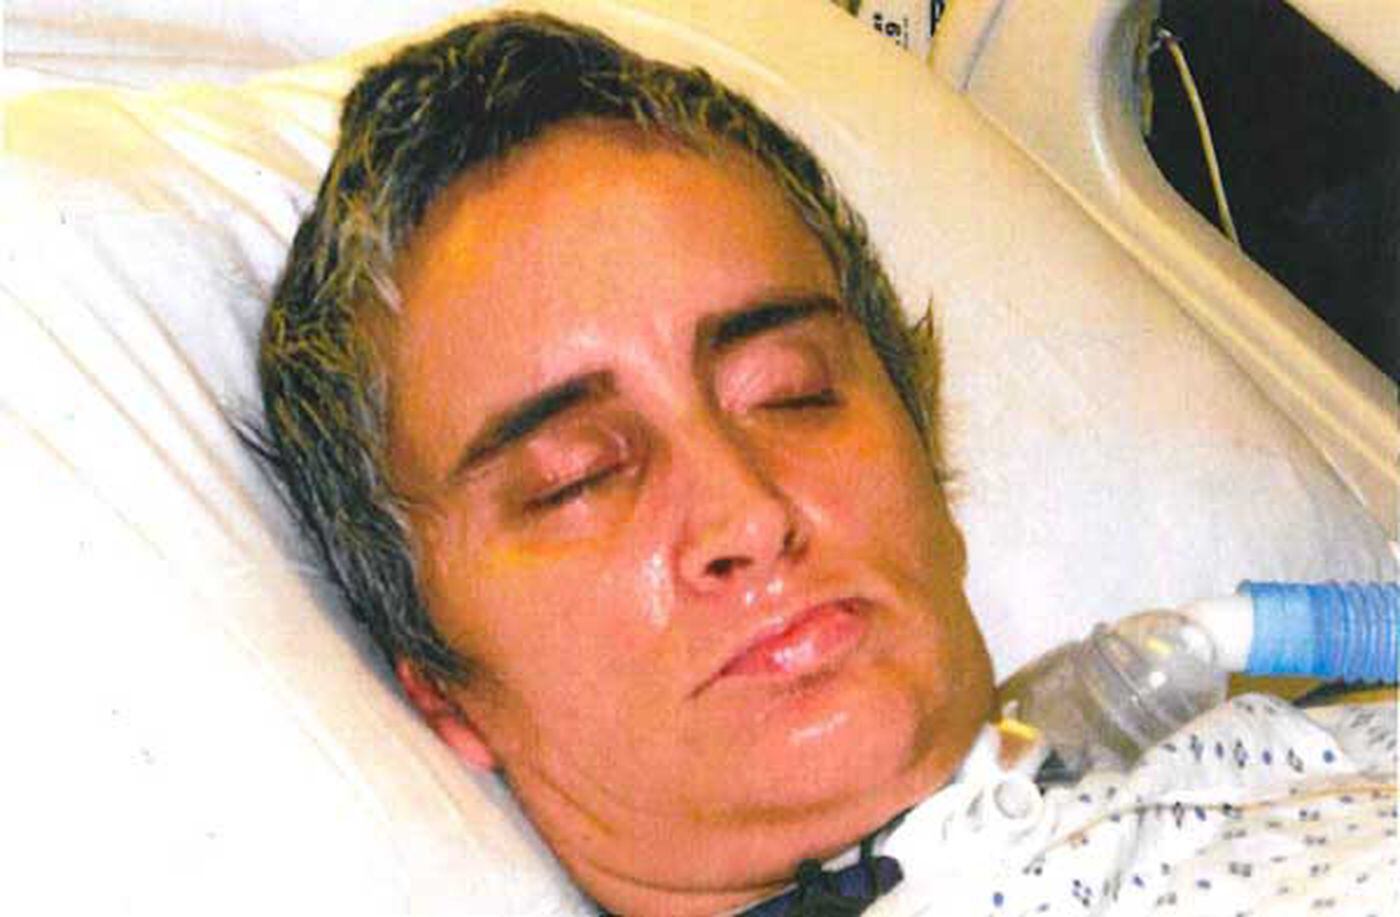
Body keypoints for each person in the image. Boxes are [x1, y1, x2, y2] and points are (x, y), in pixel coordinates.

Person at [259, 13, 1395, 916]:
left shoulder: (1275, 752)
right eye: (579, 476)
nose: (748, 512)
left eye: (789, 392)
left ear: (917, 438)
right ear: (444, 688)